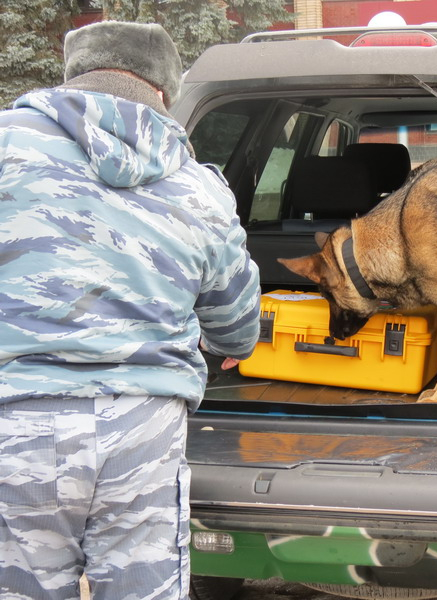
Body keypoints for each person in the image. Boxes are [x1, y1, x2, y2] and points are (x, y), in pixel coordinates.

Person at [0, 20, 261, 600]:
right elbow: (238, 330)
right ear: (164, 93)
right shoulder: (199, 188)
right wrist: (219, 344)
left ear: (72, 75)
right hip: (142, 428)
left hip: (16, 421)